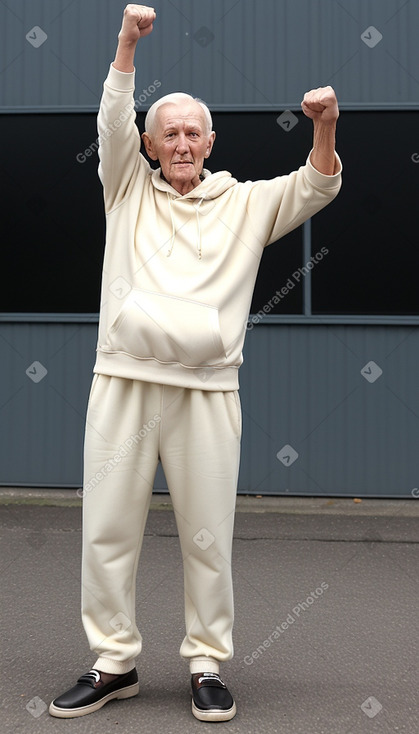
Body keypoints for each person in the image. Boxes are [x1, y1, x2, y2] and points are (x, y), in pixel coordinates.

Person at [49, 3, 342, 723]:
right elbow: (111, 121)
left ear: (209, 141)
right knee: (106, 530)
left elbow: (315, 183)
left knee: (207, 534)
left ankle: (205, 661)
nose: (180, 143)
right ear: (148, 146)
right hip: (122, 381)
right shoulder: (123, 189)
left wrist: (324, 126)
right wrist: (125, 45)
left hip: (207, 391)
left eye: (191, 133)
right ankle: (113, 661)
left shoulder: (244, 203)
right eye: (167, 133)